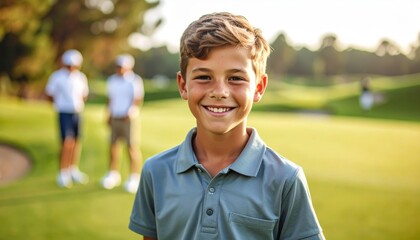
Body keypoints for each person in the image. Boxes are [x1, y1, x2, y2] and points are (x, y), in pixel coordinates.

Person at [129, 12, 325, 239]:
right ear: (183, 85)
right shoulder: (156, 171)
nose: (220, 92)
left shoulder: (285, 178)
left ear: (259, 87)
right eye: (204, 77)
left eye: (236, 78)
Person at [45, 49, 89, 188]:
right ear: (64, 63)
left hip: (77, 112)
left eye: (74, 64)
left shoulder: (81, 77)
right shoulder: (57, 76)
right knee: (66, 142)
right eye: (69, 64)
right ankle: (63, 173)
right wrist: (59, 103)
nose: (71, 67)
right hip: (64, 112)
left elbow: (84, 95)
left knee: (76, 141)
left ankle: (72, 170)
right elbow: (49, 94)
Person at [101, 54, 144, 193]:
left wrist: (130, 112)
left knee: (131, 147)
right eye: (118, 66)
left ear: (129, 67)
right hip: (115, 117)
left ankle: (134, 177)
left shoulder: (134, 80)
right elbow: (110, 99)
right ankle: (113, 174)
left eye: (122, 67)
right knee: (113, 146)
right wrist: (108, 114)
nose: (119, 69)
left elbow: (137, 99)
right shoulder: (112, 80)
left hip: (128, 118)